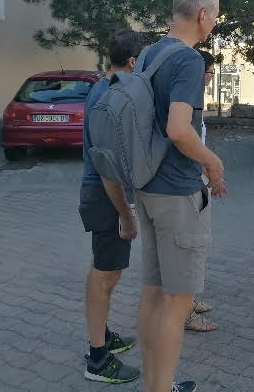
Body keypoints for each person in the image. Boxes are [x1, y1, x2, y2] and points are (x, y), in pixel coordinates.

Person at [135, 0, 226, 392]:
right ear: (203, 14)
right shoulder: (188, 60)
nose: (215, 22)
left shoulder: (149, 54)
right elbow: (179, 129)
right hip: (176, 192)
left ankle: (153, 384)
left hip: (146, 187)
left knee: (153, 293)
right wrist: (214, 164)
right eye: (216, 14)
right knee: (177, 303)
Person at [80, 30, 149, 384]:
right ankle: (96, 360)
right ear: (133, 62)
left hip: (103, 193)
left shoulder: (102, 87)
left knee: (106, 271)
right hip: (106, 195)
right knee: (105, 274)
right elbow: (107, 165)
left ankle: (102, 337)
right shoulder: (110, 95)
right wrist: (126, 214)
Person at [183, 50, 218, 333]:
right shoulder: (187, 105)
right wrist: (209, 170)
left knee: (196, 248)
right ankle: (184, 313)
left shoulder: (194, 102)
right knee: (190, 249)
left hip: (196, 180)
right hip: (189, 185)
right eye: (209, 73)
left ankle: (189, 301)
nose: (211, 78)